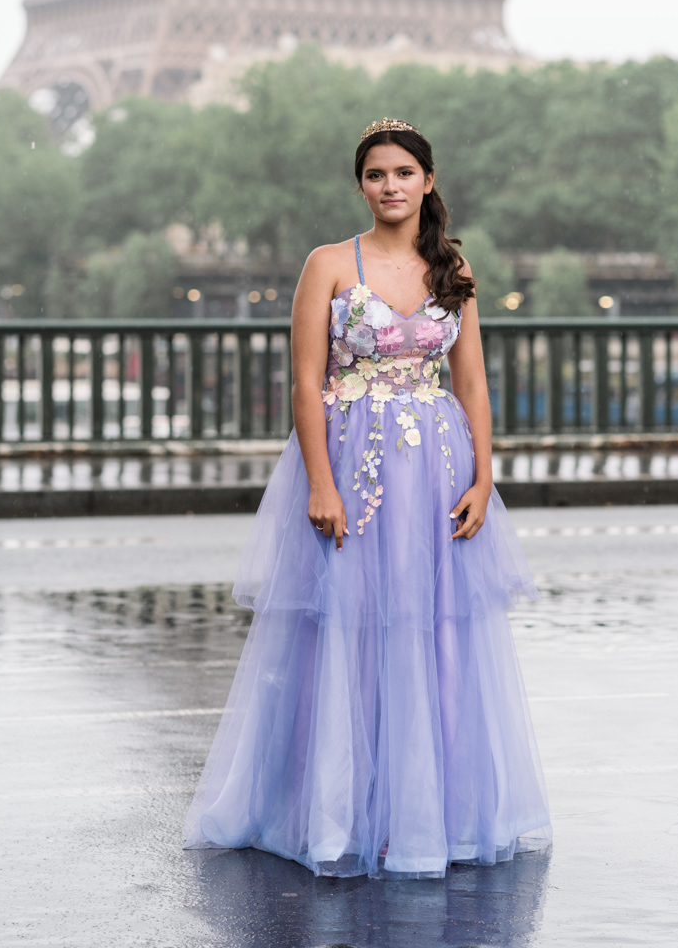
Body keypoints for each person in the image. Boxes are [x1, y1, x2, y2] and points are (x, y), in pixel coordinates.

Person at [183, 118, 551, 879]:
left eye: (403, 174)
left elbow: (472, 381)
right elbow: (306, 381)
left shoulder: (453, 266)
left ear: (428, 180)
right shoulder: (326, 264)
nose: (390, 186)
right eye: (376, 174)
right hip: (354, 465)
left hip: (440, 469)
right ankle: (336, 809)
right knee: (346, 628)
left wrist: (484, 477)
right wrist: (319, 480)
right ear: (361, 184)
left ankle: (425, 812)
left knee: (432, 630)